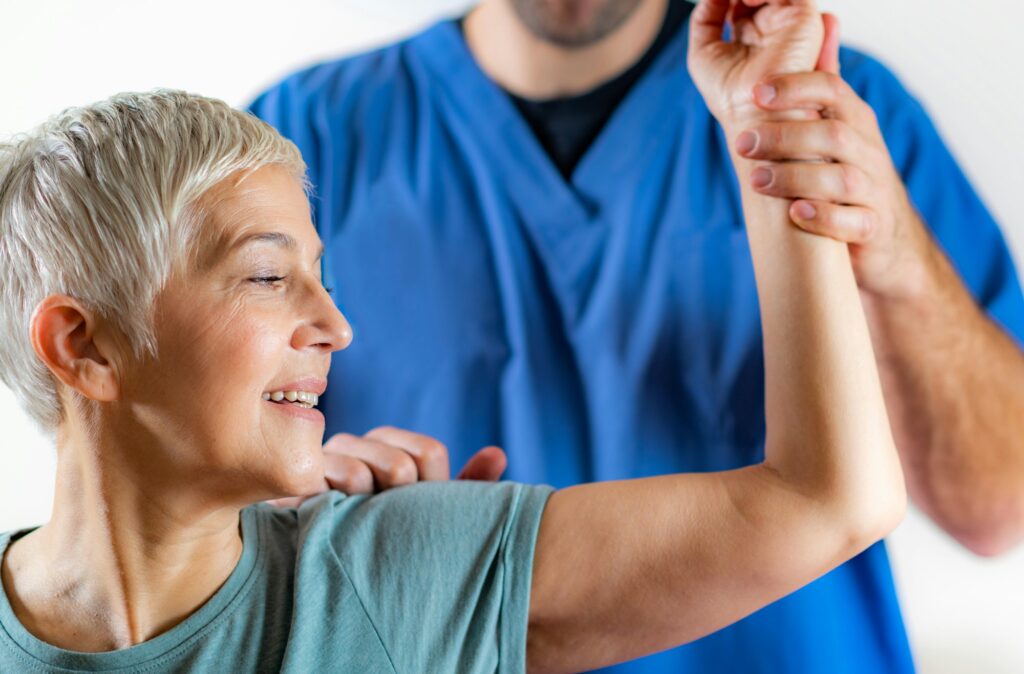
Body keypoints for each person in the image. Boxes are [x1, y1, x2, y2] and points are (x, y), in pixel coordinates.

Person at [0, 4, 906, 671]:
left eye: (324, 276)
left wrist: (775, 122)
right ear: (84, 347)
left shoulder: (391, 567)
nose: (337, 327)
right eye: (272, 277)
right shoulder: (331, 112)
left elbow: (833, 500)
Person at [247, 0, 1024, 671]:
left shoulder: (826, 112)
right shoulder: (300, 145)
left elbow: (1000, 505)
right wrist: (299, 503)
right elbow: (183, 516)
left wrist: (900, 263)